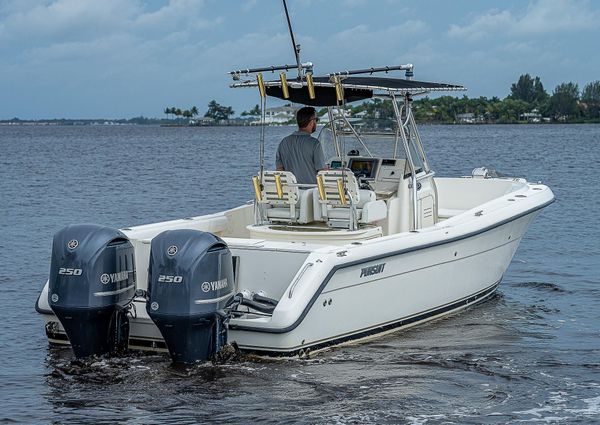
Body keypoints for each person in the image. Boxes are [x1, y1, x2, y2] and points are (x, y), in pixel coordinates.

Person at [276, 106, 325, 185]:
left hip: (292, 193)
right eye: (316, 120)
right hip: (311, 192)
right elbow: (322, 172)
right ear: (311, 121)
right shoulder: (315, 144)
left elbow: (279, 170)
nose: (316, 122)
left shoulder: (283, 143)